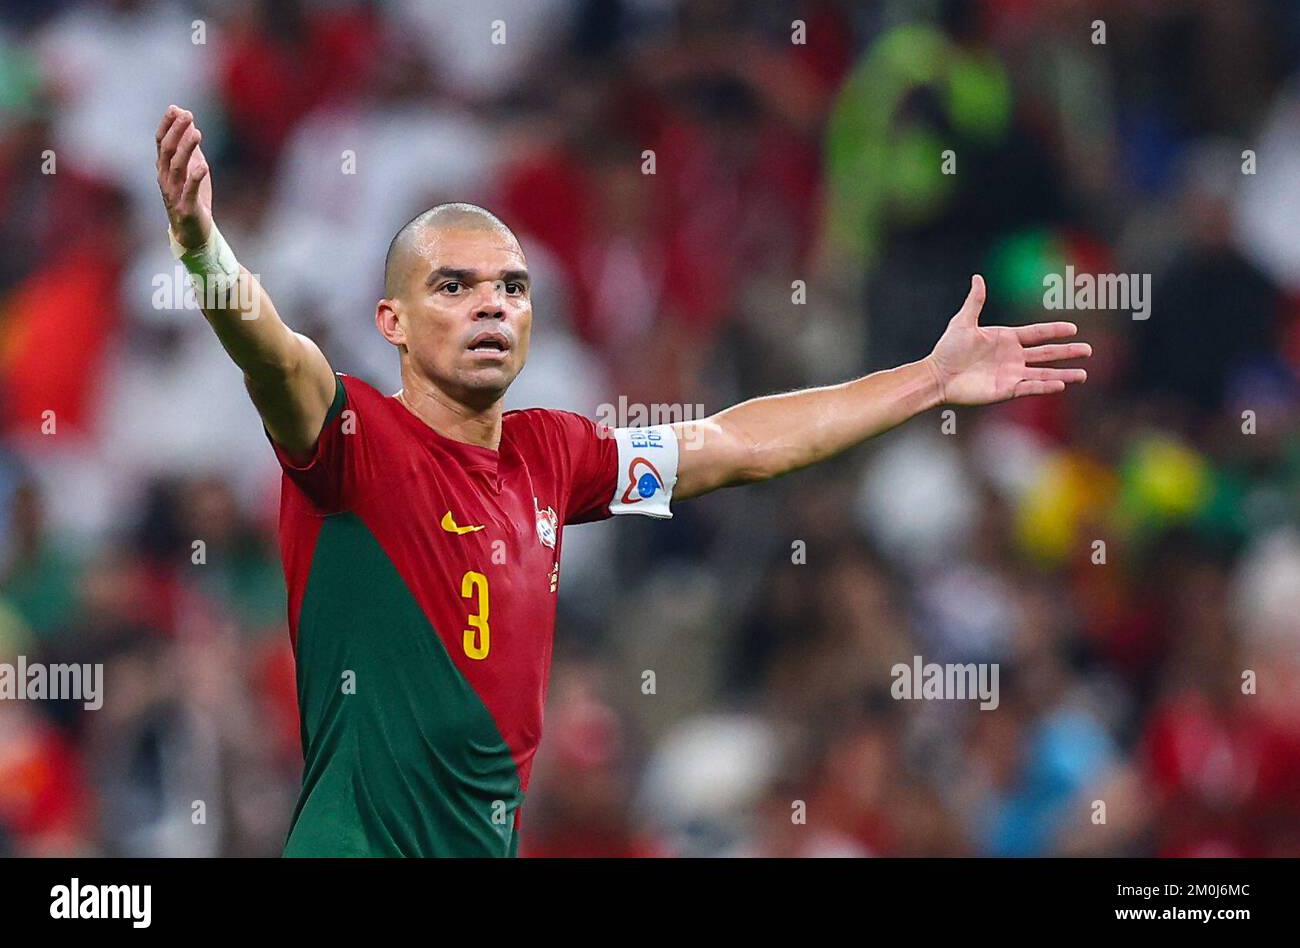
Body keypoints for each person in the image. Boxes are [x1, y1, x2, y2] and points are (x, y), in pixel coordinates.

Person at [154, 104, 1090, 857]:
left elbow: (738, 444)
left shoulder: (558, 457)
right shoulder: (352, 437)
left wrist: (927, 379)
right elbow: (271, 354)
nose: (492, 303)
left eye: (512, 287)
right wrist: (204, 251)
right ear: (391, 321)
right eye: (455, 285)